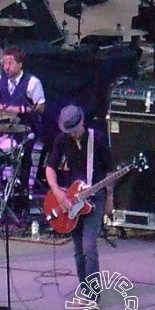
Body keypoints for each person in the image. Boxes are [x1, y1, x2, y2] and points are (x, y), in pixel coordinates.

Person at [45, 105, 114, 288]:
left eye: (74, 130)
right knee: (78, 248)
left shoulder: (97, 139)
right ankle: (84, 288)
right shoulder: (62, 140)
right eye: (68, 131)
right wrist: (57, 191)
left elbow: (109, 171)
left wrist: (109, 198)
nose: (72, 134)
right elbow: (50, 167)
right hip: (72, 199)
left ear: (81, 122)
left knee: (89, 245)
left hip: (95, 195)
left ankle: (93, 292)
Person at [0, 46, 46, 197]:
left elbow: (40, 106)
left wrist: (20, 110)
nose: (6, 67)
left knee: (24, 156)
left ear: (20, 64)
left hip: (24, 127)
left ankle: (23, 191)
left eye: (10, 63)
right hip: (2, 127)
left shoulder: (32, 82)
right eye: (4, 63)